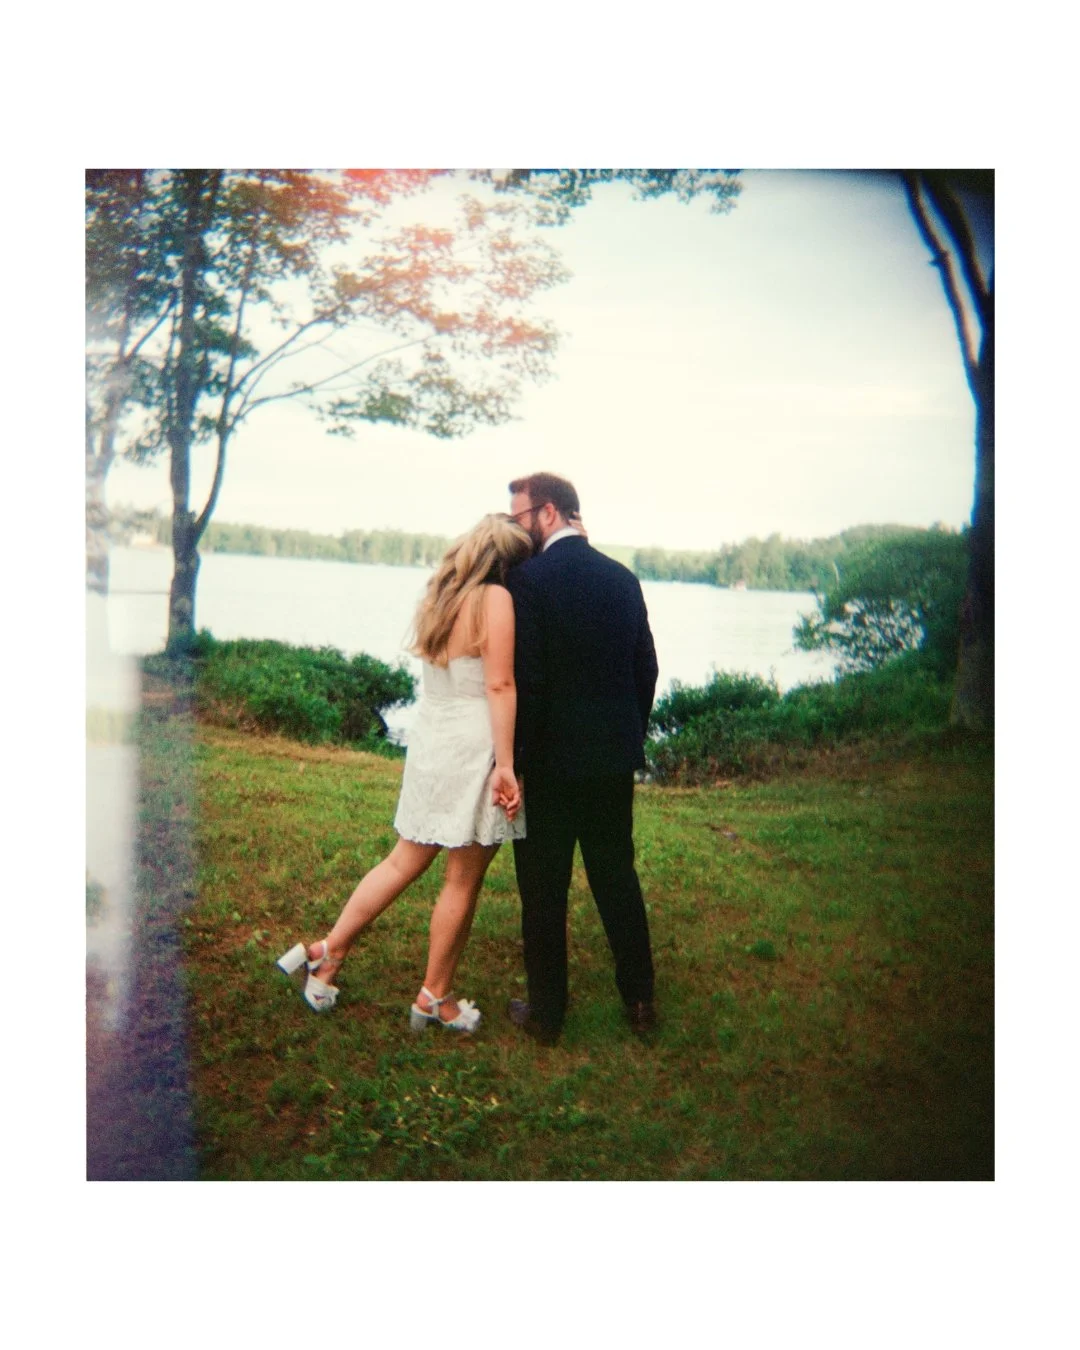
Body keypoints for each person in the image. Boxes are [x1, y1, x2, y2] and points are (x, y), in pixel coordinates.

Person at [277, 514, 533, 1032]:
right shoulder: (495, 600)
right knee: (462, 879)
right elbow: (500, 686)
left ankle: (328, 953)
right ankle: (434, 999)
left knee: (401, 861)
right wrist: (506, 766)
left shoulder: (438, 596)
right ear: (507, 562)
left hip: (432, 737)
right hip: (474, 745)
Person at [503, 472, 659, 1044]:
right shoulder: (623, 578)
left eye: (518, 517)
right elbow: (647, 667)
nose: (515, 528)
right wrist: (627, 732)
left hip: (548, 764)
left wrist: (517, 759)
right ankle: (640, 1000)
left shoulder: (527, 580)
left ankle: (547, 1016)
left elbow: (529, 680)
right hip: (612, 760)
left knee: (543, 889)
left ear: (547, 513)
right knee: (616, 875)